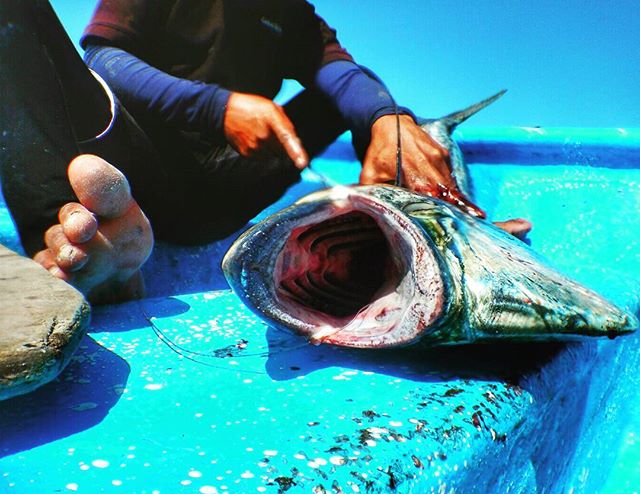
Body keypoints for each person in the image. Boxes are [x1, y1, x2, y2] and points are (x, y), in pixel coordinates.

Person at [0, 0, 530, 304]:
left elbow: (347, 78)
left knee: (371, 105)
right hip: (133, 164)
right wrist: (217, 108)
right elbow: (105, 58)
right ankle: (68, 243)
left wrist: (390, 119)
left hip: (217, 197)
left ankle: (424, 226)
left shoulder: (296, 18)